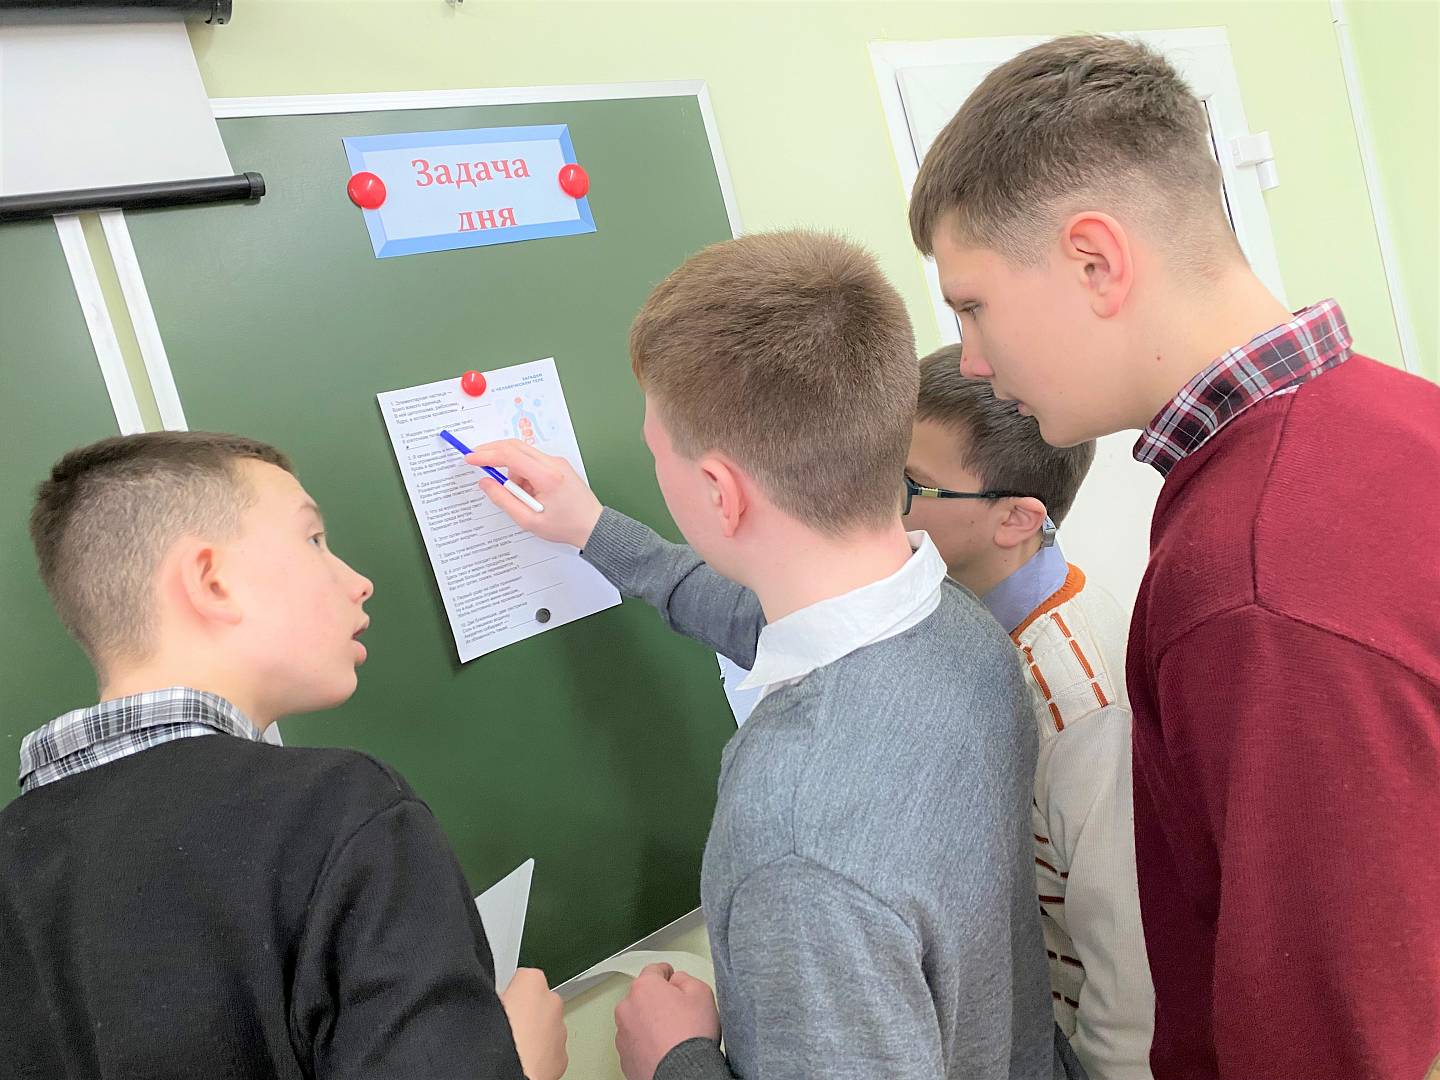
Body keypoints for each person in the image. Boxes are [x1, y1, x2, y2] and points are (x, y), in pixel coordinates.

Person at [908, 32, 1440, 1079]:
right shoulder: (1396, 414)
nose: (972, 359)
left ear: (1095, 262)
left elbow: (1325, 1047)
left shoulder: (1253, 580)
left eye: (973, 306)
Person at [471, 229, 1069, 1080]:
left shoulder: (794, 839)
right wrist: (593, 529)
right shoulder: (960, 631)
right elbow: (752, 616)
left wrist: (675, 1058)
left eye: (657, 453)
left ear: (720, 492)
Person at [0, 431, 567, 1080]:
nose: (359, 582)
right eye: (314, 539)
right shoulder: (342, 811)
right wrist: (518, 1067)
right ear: (212, 581)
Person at [905, 352, 1153, 1079]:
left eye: (908, 484)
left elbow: (1130, 974)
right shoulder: (966, 618)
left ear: (1015, 520)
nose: (874, 500)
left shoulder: (1079, 702)